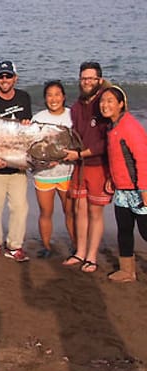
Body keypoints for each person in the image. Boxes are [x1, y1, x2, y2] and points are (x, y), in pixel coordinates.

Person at [0, 61, 33, 262]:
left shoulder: (24, 97)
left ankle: (15, 246)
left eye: (8, 76)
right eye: (1, 77)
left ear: (15, 78)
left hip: (17, 166)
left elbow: (25, 133)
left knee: (20, 207)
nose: (4, 80)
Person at [62, 61, 111, 273]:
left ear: (99, 80)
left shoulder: (105, 103)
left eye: (91, 78)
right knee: (79, 210)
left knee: (95, 212)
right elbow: (75, 137)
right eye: (84, 78)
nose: (87, 82)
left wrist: (80, 154)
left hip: (98, 165)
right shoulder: (76, 107)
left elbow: (105, 141)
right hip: (79, 166)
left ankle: (92, 256)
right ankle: (80, 252)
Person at [100, 86, 147, 283]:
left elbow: (143, 159)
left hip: (138, 189)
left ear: (121, 104)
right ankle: (127, 271)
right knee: (124, 231)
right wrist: (112, 178)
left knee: (146, 231)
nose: (105, 105)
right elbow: (117, 158)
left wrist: (144, 189)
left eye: (110, 100)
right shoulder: (112, 126)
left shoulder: (129, 126)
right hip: (122, 189)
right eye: (103, 101)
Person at [31, 80, 75, 258]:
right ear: (45, 98)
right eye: (49, 95)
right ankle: (47, 246)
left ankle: (76, 245)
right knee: (45, 212)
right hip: (44, 174)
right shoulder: (38, 118)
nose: (54, 98)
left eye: (57, 94)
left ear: (64, 97)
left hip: (67, 174)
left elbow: (79, 144)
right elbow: (31, 147)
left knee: (70, 212)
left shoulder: (73, 116)